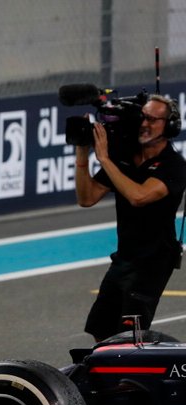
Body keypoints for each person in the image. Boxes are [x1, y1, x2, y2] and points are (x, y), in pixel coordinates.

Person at [75, 94, 186, 342]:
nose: (145, 123)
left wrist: (104, 158)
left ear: (169, 126)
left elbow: (139, 196)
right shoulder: (126, 157)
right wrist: (82, 153)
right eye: (142, 117)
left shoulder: (174, 165)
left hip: (153, 261)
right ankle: (108, 379)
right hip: (125, 257)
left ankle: (131, 381)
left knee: (129, 336)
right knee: (101, 329)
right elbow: (87, 197)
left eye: (153, 119)